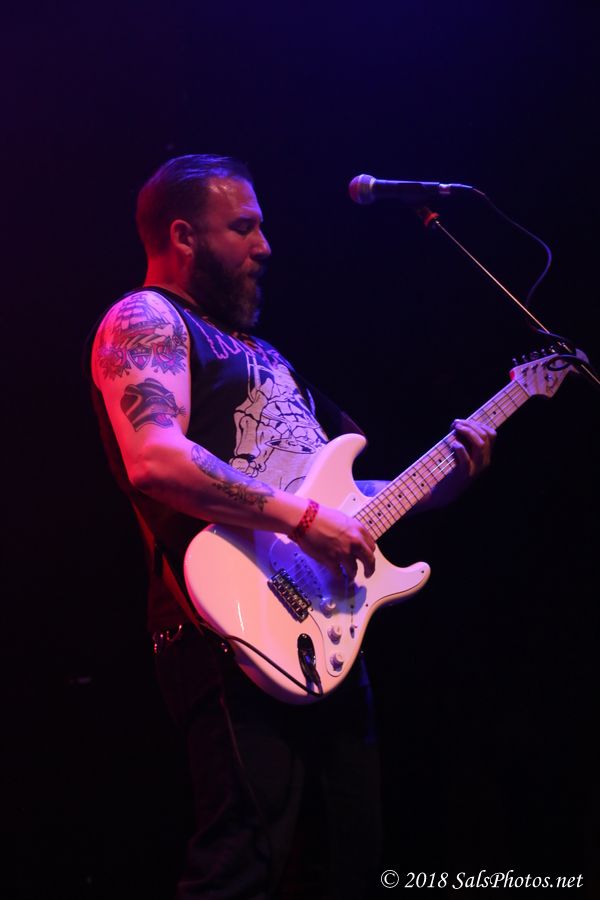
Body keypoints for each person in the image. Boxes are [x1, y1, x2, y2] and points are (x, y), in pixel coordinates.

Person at [87, 154, 495, 899]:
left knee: (351, 861)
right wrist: (303, 519)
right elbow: (155, 457)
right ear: (183, 236)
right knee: (242, 864)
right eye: (243, 227)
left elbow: (351, 501)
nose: (265, 246)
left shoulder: (270, 356)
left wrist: (443, 480)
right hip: (224, 624)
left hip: (321, 633)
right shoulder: (147, 319)